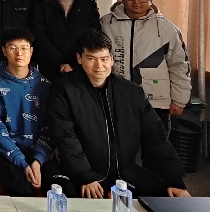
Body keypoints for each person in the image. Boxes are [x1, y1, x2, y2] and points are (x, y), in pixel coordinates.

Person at [45, 30, 191, 198]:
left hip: (125, 173)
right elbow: (65, 136)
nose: (99, 66)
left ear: (112, 59)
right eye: (91, 58)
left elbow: (157, 136)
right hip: (81, 172)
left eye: (104, 59)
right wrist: (85, 175)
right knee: (69, 198)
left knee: (167, 196)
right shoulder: (64, 89)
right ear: (79, 59)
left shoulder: (132, 92)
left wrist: (174, 179)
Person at [101, 0, 191, 131]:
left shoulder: (166, 29)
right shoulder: (106, 23)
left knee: (156, 143)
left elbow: (179, 66)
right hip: (116, 98)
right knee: (120, 142)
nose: (136, 2)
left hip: (155, 101)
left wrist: (179, 100)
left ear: (151, 0)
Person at [0, 27, 53, 196]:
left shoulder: (44, 84)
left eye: (24, 48)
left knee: (61, 187)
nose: (19, 53)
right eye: (13, 48)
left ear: (31, 51)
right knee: (22, 190)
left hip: (39, 154)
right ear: (4, 51)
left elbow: (49, 128)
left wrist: (38, 160)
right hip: (5, 154)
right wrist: (21, 162)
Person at [32, 0, 101, 82]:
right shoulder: (41, 4)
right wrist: (59, 64)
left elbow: (93, 33)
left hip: (82, 63)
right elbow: (40, 36)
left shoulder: (87, 2)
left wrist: (74, 62)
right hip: (50, 65)